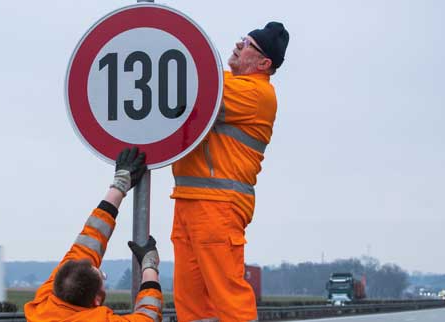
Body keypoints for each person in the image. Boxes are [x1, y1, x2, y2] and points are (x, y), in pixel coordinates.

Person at [170, 22, 290, 321]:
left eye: (249, 44)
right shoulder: (229, 83)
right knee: (192, 305)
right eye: (242, 39)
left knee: (228, 300)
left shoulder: (255, 94)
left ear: (264, 63)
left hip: (218, 206)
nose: (239, 45)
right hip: (190, 200)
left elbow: (194, 92)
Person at [24, 147, 163, 322]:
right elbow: (149, 316)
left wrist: (120, 184)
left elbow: (88, 242)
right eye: (102, 277)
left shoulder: (43, 306)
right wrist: (150, 265)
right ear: (97, 299)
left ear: (57, 283)